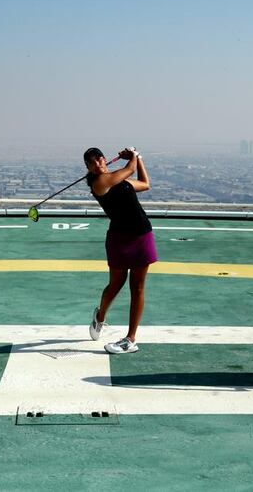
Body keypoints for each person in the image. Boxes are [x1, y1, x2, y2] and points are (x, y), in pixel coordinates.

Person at [84, 146, 157, 354]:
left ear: (105, 159)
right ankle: (100, 317)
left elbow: (145, 184)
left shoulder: (119, 181)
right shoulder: (100, 183)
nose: (97, 163)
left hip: (142, 235)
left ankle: (130, 339)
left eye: (99, 159)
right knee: (115, 284)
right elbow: (130, 169)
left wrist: (139, 158)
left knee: (138, 288)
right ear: (89, 168)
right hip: (118, 239)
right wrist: (133, 156)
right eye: (92, 162)